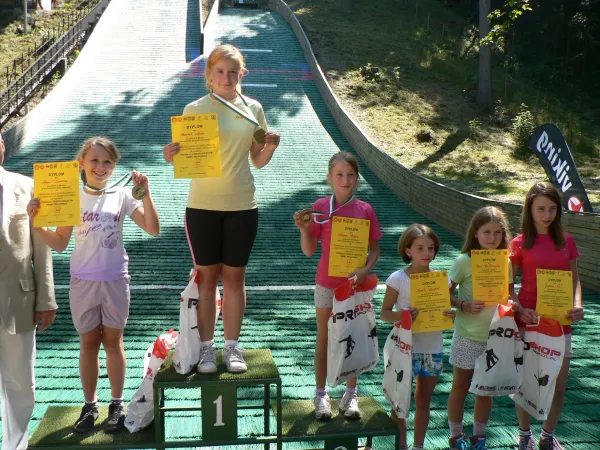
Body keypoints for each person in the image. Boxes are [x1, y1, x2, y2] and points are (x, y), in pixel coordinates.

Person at [27, 136, 160, 433]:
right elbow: (60, 243)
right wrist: (38, 223)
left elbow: (153, 228)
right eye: (95, 160)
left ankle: (116, 403)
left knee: (114, 342)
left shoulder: (123, 195)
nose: (101, 167)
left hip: (115, 279)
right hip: (83, 281)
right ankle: (90, 405)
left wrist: (146, 195)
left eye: (107, 162)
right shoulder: (71, 196)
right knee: (88, 344)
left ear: (115, 165)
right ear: (82, 163)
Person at [163, 44, 280, 374]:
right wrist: (171, 154)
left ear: (242, 73)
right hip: (202, 207)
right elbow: (185, 155)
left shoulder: (253, 108)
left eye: (232, 72)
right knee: (206, 280)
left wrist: (270, 146)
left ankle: (231, 347)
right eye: (219, 71)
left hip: (242, 205)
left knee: (234, 278)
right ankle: (206, 349)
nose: (226, 78)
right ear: (209, 74)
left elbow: (258, 160)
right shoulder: (194, 109)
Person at [293, 151, 381, 420]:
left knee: (352, 335)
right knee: (324, 337)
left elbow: (375, 249)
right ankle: (321, 394)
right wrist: (304, 229)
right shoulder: (320, 206)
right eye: (339, 175)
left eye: (350, 175)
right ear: (329, 177)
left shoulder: (365, 210)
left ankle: (350, 395)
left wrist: (365, 270)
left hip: (354, 287)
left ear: (357, 179)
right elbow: (309, 250)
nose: (345, 180)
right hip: (326, 284)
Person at [510, 182, 584, 450]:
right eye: (541, 208)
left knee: (559, 385)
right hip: (529, 323)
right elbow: (507, 287)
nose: (547, 214)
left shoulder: (567, 241)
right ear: (529, 209)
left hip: (561, 324)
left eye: (552, 209)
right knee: (525, 383)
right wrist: (520, 309)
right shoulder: (518, 244)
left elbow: (575, 279)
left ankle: (547, 437)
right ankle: (524, 436)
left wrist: (577, 304)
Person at [0, 132, 57, 450]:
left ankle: (15, 446)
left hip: (19, 299)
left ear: (2, 146)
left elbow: (42, 247)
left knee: (21, 383)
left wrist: (46, 298)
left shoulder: (28, 187)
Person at [380, 224, 455, 450]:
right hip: (405, 348)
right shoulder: (398, 279)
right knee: (400, 402)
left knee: (423, 400)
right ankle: (402, 445)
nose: (426, 253)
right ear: (408, 250)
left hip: (432, 349)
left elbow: (445, 310)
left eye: (431, 248)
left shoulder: (442, 280)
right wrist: (402, 316)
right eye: (420, 248)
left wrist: (450, 314)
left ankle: (418, 446)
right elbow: (384, 313)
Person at [446, 206, 515, 450]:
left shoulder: (506, 261)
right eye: (487, 232)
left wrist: (513, 307)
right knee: (460, 386)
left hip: (494, 338)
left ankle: (479, 437)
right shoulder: (463, 261)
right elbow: (445, 293)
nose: (492, 237)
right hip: (467, 336)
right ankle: (456, 436)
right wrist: (462, 304)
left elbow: (509, 295)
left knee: (485, 390)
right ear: (475, 233)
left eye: (497, 232)